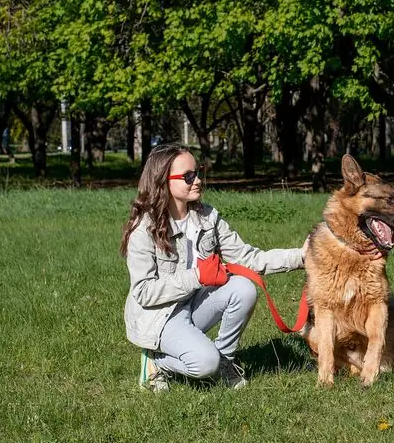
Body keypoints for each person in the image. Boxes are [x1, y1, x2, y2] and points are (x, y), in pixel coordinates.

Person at [120, 144, 308, 392]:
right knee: (205, 364)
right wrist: (197, 276)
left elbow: (249, 258)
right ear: (163, 181)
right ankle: (158, 363)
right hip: (161, 316)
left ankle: (225, 361)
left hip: (195, 303)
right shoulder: (144, 229)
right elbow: (144, 292)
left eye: (198, 172)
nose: (198, 180)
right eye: (188, 176)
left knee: (244, 289)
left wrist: (302, 256)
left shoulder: (207, 217)